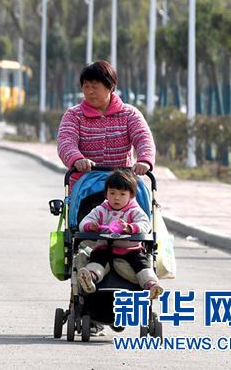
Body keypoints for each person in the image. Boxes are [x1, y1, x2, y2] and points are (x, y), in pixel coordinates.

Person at [56, 60, 156, 182]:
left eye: (95, 86)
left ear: (110, 87)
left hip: (122, 184)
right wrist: (77, 159)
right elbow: (66, 142)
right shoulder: (74, 115)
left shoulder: (129, 114)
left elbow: (143, 138)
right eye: (86, 86)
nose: (90, 91)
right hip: (85, 186)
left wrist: (144, 161)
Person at [76, 170, 164, 299]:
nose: (116, 198)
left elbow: (145, 224)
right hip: (105, 246)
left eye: (122, 194)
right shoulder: (101, 210)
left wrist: (130, 228)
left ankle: (151, 284)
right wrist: (90, 226)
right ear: (106, 194)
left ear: (131, 196)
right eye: (112, 193)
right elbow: (84, 222)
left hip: (131, 249)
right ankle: (90, 278)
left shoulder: (134, 211)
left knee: (141, 263)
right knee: (97, 258)